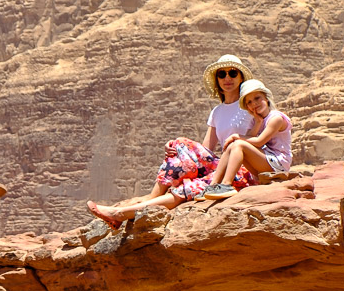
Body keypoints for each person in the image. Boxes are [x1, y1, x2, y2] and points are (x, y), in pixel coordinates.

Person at [87, 54, 256, 225]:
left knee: (188, 188)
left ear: (241, 77)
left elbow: (262, 142)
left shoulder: (250, 106)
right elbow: (206, 151)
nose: (227, 78)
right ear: (217, 79)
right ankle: (154, 196)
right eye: (222, 74)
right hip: (221, 165)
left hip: (239, 172)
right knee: (179, 144)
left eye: (233, 73)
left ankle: (119, 214)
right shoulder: (217, 112)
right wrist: (177, 152)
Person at [201, 79, 292, 200]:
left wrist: (236, 136)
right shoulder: (257, 120)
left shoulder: (276, 118)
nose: (254, 103)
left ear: (266, 97)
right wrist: (258, 122)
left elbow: (259, 141)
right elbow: (252, 138)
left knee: (238, 144)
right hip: (266, 161)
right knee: (233, 146)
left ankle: (226, 185)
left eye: (257, 98)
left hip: (279, 163)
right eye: (249, 102)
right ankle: (212, 186)